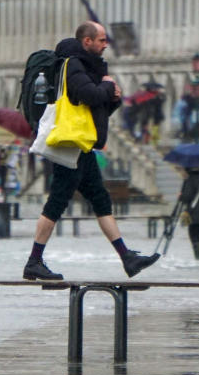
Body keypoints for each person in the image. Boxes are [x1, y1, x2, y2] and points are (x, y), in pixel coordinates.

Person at [23, 21, 160, 281]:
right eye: (101, 40)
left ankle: (127, 258)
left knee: (100, 199)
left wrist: (113, 97)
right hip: (70, 145)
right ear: (87, 41)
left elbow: (94, 109)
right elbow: (89, 95)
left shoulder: (85, 67)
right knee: (57, 202)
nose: (106, 44)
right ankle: (34, 261)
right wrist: (108, 87)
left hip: (81, 144)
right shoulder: (73, 65)